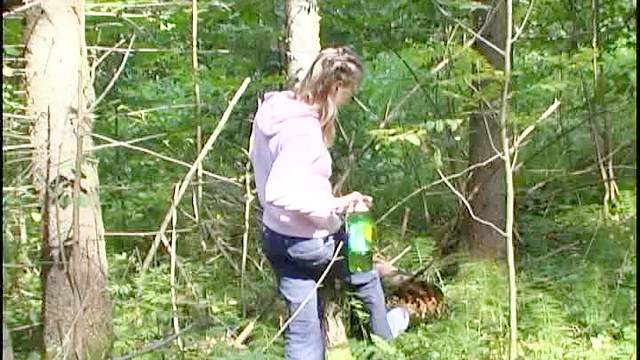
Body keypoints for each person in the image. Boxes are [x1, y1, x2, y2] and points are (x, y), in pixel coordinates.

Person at [250, 46, 409, 360]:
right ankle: (384, 331)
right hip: (310, 242)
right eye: (349, 92)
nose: (349, 99)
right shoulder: (303, 133)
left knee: (303, 330)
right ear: (337, 88)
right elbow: (279, 192)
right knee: (364, 267)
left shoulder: (276, 108)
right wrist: (336, 205)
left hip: (276, 238)